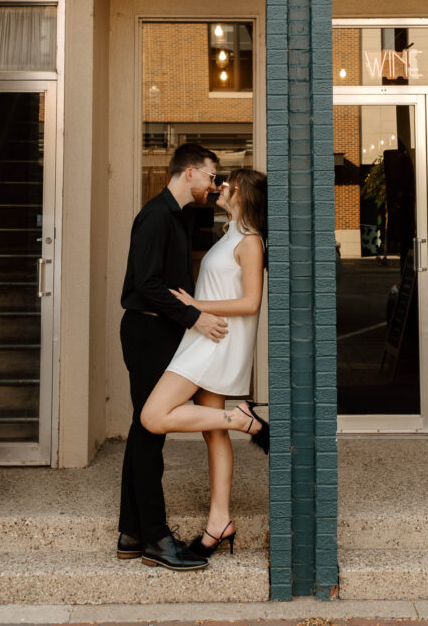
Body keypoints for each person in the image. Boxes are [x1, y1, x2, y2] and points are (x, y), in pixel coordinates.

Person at [140, 167, 269, 559]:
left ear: (245, 195)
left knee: (154, 415)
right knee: (212, 433)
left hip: (215, 341)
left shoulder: (250, 241)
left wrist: (195, 306)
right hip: (204, 335)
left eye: (230, 184)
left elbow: (250, 303)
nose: (222, 186)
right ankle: (219, 523)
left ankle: (242, 418)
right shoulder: (228, 233)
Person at [117, 142, 230, 573]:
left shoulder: (181, 216)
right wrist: (195, 318)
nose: (214, 184)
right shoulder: (155, 217)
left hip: (161, 330)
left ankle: (132, 532)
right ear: (188, 173)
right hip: (147, 330)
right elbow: (146, 285)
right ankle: (157, 540)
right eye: (210, 176)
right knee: (151, 431)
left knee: (144, 429)